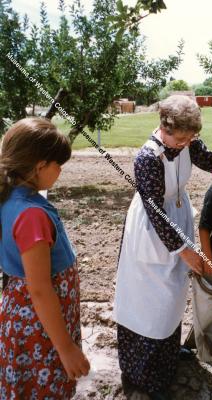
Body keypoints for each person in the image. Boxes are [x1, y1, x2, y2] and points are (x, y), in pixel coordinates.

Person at [113, 95, 212, 400]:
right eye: (181, 137)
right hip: (152, 228)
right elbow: (155, 212)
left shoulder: (188, 144)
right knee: (149, 300)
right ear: (164, 126)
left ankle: (167, 359)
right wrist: (186, 251)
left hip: (177, 219)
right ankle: (142, 376)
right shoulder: (147, 159)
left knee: (173, 295)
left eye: (191, 137)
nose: (186, 143)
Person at [0, 118, 90, 399]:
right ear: (39, 166)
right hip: (39, 328)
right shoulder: (32, 216)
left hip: (30, 319)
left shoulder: (11, 198)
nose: (60, 171)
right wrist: (66, 348)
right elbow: (39, 288)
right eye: (57, 164)